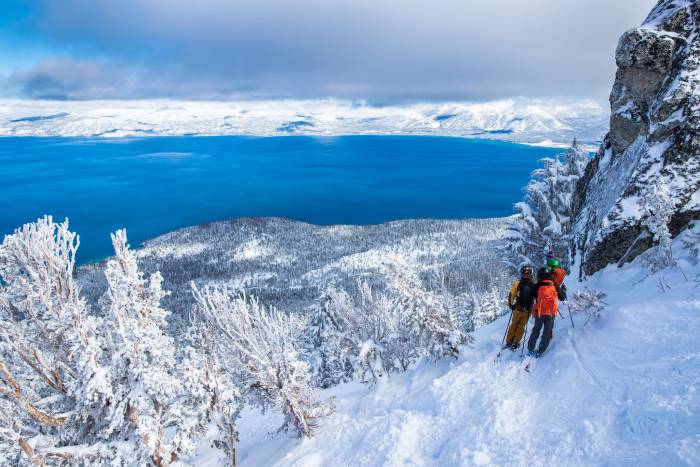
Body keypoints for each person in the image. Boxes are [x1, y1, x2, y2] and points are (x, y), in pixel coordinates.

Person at [527, 267, 559, 358]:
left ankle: (530, 348)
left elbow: (530, 298)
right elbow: (562, 297)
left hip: (539, 313)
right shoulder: (553, 285)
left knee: (536, 330)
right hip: (551, 313)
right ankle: (541, 350)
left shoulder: (537, 285)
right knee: (547, 332)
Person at [504, 266, 537, 350]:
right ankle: (516, 343)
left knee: (514, 324)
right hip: (527, 310)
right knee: (521, 326)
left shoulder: (517, 283)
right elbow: (537, 298)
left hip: (518, 308)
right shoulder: (534, 285)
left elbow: (512, 294)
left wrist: (511, 305)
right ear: (531, 274)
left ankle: (508, 342)